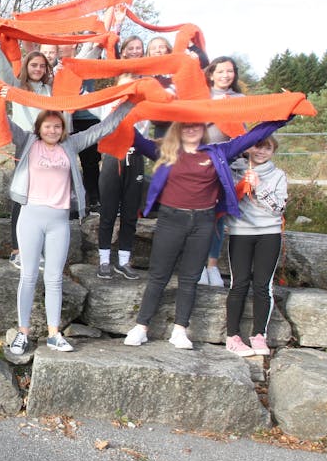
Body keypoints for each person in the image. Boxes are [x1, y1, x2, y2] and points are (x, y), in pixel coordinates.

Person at [123, 117, 289, 350]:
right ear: (178, 127)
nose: (191, 128)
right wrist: (122, 109)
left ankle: (180, 330)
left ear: (204, 129)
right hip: (172, 220)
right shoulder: (165, 150)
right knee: (158, 276)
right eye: (186, 124)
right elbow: (133, 137)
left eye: (196, 125)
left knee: (190, 278)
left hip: (203, 222)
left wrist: (285, 115)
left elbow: (252, 137)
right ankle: (141, 326)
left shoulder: (218, 152)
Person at [6, 101, 135, 356]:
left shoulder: (70, 145)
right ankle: (23, 332)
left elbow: (103, 128)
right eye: (48, 126)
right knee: (29, 276)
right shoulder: (28, 142)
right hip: (30, 216)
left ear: (63, 129)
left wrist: (128, 103)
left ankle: (54, 334)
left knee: (54, 278)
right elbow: (4, 122)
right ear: (39, 127)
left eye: (57, 126)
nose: (52, 130)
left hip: (59, 220)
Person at [0, 45, 57, 268]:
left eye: (41, 65)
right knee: (22, 196)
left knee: (44, 198)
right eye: (33, 65)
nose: (37, 69)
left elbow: (78, 64)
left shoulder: (50, 88)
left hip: (49, 146)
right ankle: (17, 250)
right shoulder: (18, 85)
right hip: (27, 143)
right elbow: (4, 70)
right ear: (27, 66)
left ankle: (38, 249)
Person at [224, 136, 287, 356]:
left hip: (269, 234)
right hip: (241, 232)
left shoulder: (278, 175)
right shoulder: (234, 169)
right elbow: (227, 198)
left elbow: (279, 207)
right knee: (239, 283)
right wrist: (242, 184)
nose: (261, 152)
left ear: (273, 151)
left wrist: (259, 187)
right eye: (257, 146)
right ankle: (232, 336)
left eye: (267, 148)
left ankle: (259, 335)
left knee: (262, 285)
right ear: (248, 148)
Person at [200, 56, 247, 286]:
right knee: (201, 213)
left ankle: (212, 265)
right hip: (202, 160)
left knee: (218, 215)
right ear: (211, 74)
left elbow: (243, 132)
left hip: (228, 160)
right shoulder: (202, 96)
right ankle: (197, 263)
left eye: (229, 71)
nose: (225, 75)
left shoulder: (240, 99)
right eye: (220, 71)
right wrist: (217, 112)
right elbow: (192, 125)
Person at [96, 74, 146, 280]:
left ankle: (124, 261)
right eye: (124, 87)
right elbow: (80, 96)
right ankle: (104, 260)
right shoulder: (106, 104)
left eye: (132, 87)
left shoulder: (144, 105)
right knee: (108, 211)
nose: (128, 92)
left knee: (130, 213)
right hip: (112, 158)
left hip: (136, 158)